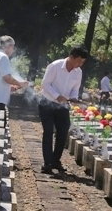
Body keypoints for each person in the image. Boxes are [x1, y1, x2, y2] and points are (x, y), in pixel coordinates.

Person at [38, 46, 89, 175]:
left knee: (63, 131)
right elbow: (45, 84)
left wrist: (73, 98)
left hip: (63, 106)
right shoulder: (55, 66)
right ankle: (47, 163)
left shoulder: (78, 72)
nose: (80, 64)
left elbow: (75, 89)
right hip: (47, 103)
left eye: (82, 62)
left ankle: (56, 160)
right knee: (48, 131)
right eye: (78, 61)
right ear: (71, 57)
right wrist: (57, 96)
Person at [0, 36, 28, 132]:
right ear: (9, 46)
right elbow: (7, 77)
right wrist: (20, 83)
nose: (13, 49)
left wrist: (10, 87)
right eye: (13, 47)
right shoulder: (3, 57)